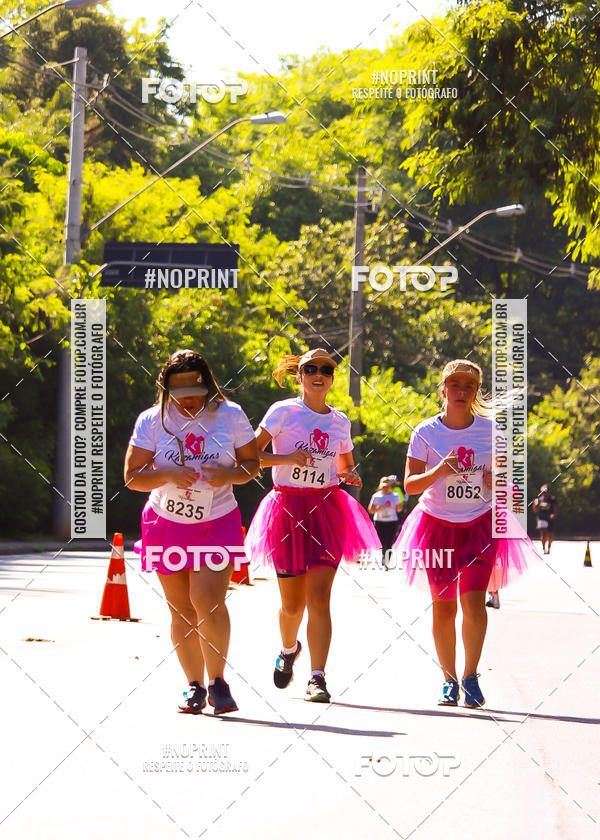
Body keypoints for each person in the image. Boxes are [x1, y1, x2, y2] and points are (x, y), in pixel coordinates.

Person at [393, 359, 541, 708]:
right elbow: (410, 485)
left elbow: (511, 487)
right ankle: (448, 679)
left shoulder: (492, 432)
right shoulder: (425, 432)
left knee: (473, 601)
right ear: (442, 390)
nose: (461, 391)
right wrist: (440, 471)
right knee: (443, 610)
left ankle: (471, 677)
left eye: (469, 386)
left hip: (480, 525)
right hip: (436, 527)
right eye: (455, 385)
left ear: (475, 393)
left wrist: (497, 482)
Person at [124, 349, 260, 715]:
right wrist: (168, 474)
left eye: (195, 396)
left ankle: (218, 683)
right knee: (181, 609)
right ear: (166, 391)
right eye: (180, 398)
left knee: (207, 599)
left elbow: (251, 464)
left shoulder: (229, 415)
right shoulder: (152, 420)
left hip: (217, 518)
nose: (188, 404)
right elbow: (132, 476)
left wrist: (228, 475)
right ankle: (194, 686)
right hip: (166, 521)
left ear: (207, 386)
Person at [245, 348, 381, 703]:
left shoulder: (339, 421)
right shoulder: (283, 411)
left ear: (333, 378)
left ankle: (317, 678)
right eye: (311, 368)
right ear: (300, 375)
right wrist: (287, 457)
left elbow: (345, 466)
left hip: (326, 509)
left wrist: (350, 476)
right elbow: (250, 457)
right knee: (292, 606)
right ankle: (289, 648)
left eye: (327, 369)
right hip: (286, 508)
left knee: (320, 598)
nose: (319, 373)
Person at [368, 477, 404, 568]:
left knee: (389, 542)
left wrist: (397, 507)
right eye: (384, 487)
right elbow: (370, 510)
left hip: (392, 521)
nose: (386, 488)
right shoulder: (376, 496)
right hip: (379, 521)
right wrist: (380, 508)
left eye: (387, 486)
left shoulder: (395, 495)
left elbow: (399, 509)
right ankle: (383, 556)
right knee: (380, 542)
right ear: (381, 486)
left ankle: (386, 561)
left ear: (390, 486)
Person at [532, 484, 557, 554]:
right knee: (543, 534)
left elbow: (555, 509)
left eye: (545, 492)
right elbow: (535, 510)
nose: (544, 493)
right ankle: (543, 548)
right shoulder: (539, 500)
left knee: (550, 535)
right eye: (543, 492)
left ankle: (549, 548)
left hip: (550, 519)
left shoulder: (552, 499)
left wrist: (553, 515)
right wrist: (535, 504)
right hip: (542, 519)